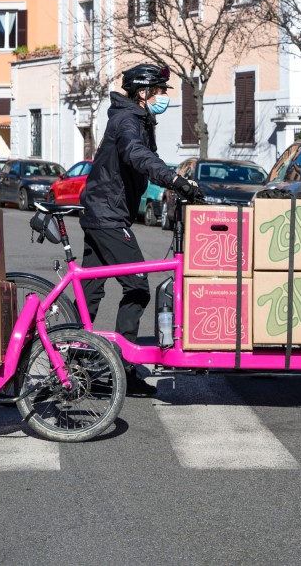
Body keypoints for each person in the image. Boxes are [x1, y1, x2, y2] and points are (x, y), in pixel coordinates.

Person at [79, 63, 204, 396]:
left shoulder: (137, 120)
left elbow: (149, 162)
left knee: (89, 292)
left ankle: (77, 365)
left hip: (102, 211)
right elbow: (136, 155)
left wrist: (175, 180)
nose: (165, 97)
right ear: (144, 94)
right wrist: (176, 180)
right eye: (161, 91)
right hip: (108, 216)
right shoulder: (128, 121)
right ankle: (124, 366)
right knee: (137, 287)